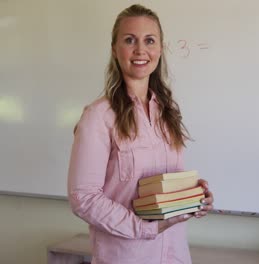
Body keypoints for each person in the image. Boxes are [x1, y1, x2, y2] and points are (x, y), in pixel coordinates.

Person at [67, 4, 213, 264]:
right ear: (114, 49)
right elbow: (84, 197)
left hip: (175, 254)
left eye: (149, 40)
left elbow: (166, 185)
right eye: (129, 40)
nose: (140, 50)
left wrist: (194, 196)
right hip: (126, 256)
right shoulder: (98, 116)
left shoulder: (167, 112)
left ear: (159, 49)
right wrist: (143, 228)